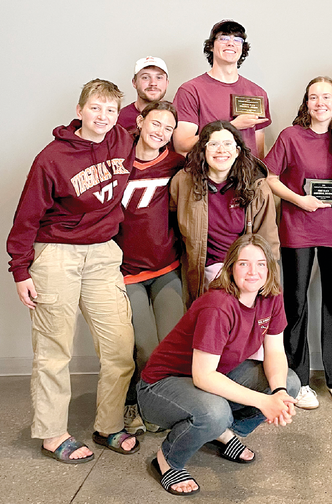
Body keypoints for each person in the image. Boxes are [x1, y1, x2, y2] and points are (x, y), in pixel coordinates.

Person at [6, 79, 139, 463]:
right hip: (56, 254)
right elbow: (26, 217)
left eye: (111, 110)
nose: (103, 116)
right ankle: (52, 433)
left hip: (101, 253)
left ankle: (109, 425)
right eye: (95, 108)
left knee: (118, 346)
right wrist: (20, 269)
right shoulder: (52, 157)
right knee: (54, 350)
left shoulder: (122, 142)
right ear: (80, 110)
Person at [137, 234, 299, 496]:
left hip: (215, 373)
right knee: (215, 412)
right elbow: (203, 377)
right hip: (160, 386)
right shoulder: (219, 305)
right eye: (244, 264)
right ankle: (168, 459)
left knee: (289, 384)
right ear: (231, 267)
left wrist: (277, 393)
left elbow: (275, 351)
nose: (253, 272)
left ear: (269, 269)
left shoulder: (271, 297)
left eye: (260, 264)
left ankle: (219, 432)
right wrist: (262, 401)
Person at [265, 76, 332, 409]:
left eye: (326, 97)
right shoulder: (291, 136)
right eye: (314, 97)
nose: (320, 103)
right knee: (296, 304)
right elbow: (270, 178)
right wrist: (299, 200)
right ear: (306, 103)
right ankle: (298, 380)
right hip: (297, 227)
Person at [114, 101, 186, 434]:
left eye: (168, 128)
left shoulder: (175, 163)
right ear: (141, 121)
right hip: (127, 272)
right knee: (144, 346)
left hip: (165, 268)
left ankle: (161, 408)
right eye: (155, 124)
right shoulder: (118, 161)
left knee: (171, 344)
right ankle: (135, 405)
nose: (160, 132)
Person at [170, 120, 279, 309]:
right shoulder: (183, 182)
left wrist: (270, 288)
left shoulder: (257, 187)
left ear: (237, 151)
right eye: (213, 144)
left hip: (243, 270)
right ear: (203, 150)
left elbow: (268, 241)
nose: (222, 150)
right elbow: (172, 225)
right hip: (203, 270)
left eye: (228, 144)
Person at [173, 20, 271, 158]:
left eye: (238, 39)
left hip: (248, 176)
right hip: (206, 176)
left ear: (243, 48)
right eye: (224, 38)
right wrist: (231, 126)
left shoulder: (257, 93)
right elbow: (182, 145)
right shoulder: (191, 90)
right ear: (211, 46)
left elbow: (258, 150)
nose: (231, 43)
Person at [117, 56, 170, 133]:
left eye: (159, 77)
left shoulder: (179, 116)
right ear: (134, 82)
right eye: (145, 77)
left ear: (167, 83)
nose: (153, 83)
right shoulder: (120, 119)